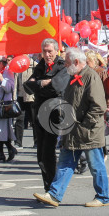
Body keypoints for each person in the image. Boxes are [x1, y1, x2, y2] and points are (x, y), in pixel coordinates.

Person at [33, 48, 109, 207]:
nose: (65, 65)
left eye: (67, 62)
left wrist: (83, 125)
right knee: (65, 164)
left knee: (96, 166)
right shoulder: (73, 76)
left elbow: (98, 107)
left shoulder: (91, 77)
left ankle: (102, 197)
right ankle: (54, 194)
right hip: (72, 130)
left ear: (76, 62)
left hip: (89, 132)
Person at [24, 39, 65, 190]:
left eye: (50, 51)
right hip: (39, 112)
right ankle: (47, 187)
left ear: (56, 51)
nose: (47, 54)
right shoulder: (40, 65)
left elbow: (56, 88)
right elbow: (27, 86)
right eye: (44, 51)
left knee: (48, 153)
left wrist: (38, 84)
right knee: (41, 156)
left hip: (54, 112)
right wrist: (42, 83)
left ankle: (53, 190)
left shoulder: (62, 66)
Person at [13, 56, 35, 151]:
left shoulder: (35, 66)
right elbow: (15, 83)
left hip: (32, 97)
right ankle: (18, 142)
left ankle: (37, 141)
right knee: (19, 120)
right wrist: (14, 97)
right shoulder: (19, 66)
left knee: (34, 120)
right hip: (21, 96)